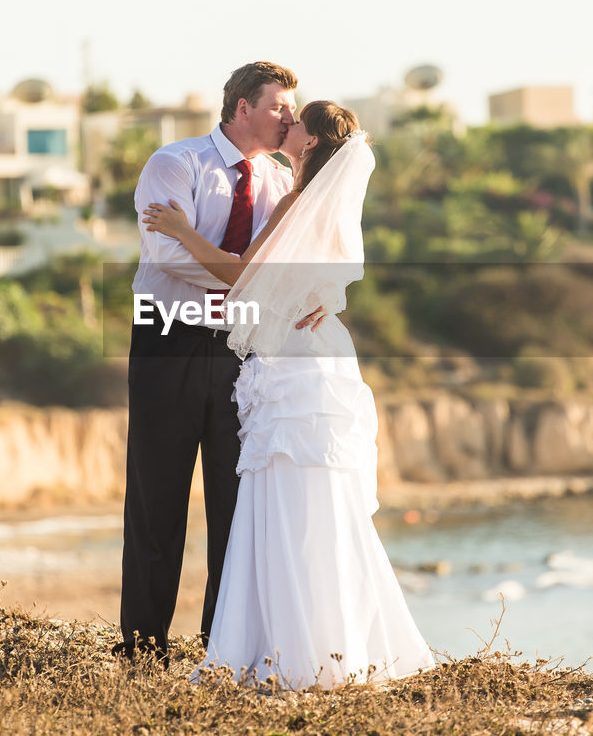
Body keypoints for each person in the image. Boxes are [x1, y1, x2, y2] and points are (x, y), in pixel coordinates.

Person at [141, 101, 434, 689]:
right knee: (315, 494)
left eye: (295, 119)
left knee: (286, 492)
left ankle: (288, 646)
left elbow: (242, 276)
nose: (286, 123)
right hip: (321, 351)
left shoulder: (299, 201)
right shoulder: (323, 203)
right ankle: (335, 643)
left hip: (295, 362)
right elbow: (329, 277)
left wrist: (179, 231)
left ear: (309, 141)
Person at [116, 61, 300, 660]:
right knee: (157, 499)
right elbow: (170, 255)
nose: (288, 118)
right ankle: (142, 650)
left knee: (234, 504)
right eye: (278, 106)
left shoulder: (278, 181)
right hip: (167, 341)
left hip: (243, 352)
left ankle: (219, 649)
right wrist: (249, 276)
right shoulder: (176, 163)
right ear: (242, 106)